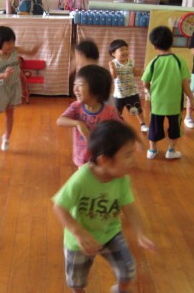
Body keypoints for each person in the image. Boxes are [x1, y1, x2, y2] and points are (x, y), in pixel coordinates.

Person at [52, 120, 156, 293]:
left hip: (110, 233)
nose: (133, 160)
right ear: (105, 160)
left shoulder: (122, 179)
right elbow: (59, 207)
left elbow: (129, 207)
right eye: (128, 155)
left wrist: (140, 233)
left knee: (127, 271)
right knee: (76, 282)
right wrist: (78, 232)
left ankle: (120, 290)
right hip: (80, 242)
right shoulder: (81, 180)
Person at [0, 26, 40, 150]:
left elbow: (31, 52)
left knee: (10, 113)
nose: (12, 45)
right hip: (0, 89)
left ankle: (7, 138)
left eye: (13, 42)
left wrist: (37, 46)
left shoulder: (15, 51)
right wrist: (3, 75)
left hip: (14, 87)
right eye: (8, 43)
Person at [142, 26, 194, 160]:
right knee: (174, 128)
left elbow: (145, 82)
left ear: (154, 46)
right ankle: (171, 150)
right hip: (174, 103)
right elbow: (185, 84)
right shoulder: (179, 61)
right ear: (171, 43)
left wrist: (149, 91)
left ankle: (152, 151)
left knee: (154, 127)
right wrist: (191, 97)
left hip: (157, 102)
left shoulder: (153, 62)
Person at [57, 65, 122, 167]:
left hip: (102, 158)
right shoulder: (76, 107)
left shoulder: (109, 111)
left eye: (80, 85)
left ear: (95, 89)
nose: (75, 89)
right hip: (82, 156)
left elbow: (120, 129)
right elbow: (60, 120)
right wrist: (78, 123)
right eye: (75, 84)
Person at [108, 39, 148, 132]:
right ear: (113, 53)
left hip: (132, 91)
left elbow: (134, 72)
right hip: (119, 94)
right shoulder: (113, 63)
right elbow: (113, 76)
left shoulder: (130, 61)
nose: (125, 52)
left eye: (126, 49)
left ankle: (142, 124)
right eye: (121, 50)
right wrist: (112, 68)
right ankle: (116, 126)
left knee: (137, 109)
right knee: (117, 112)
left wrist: (144, 71)